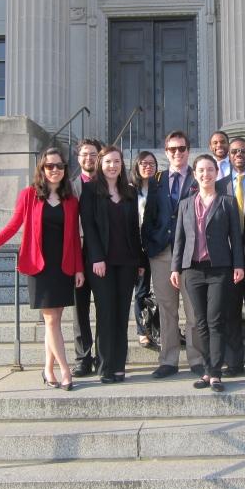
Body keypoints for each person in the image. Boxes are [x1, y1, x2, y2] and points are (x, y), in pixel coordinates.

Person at [0, 148, 84, 391]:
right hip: (39, 267)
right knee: (52, 320)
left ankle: (47, 369)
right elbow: (12, 226)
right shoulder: (29, 195)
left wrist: (78, 269)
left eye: (60, 166)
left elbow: (74, 237)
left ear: (65, 169)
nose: (55, 170)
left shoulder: (71, 199)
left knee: (54, 320)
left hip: (62, 267)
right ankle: (65, 371)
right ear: (41, 169)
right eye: (49, 166)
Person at [171, 154, 245, 392]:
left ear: (217, 173)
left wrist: (238, 265)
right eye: (201, 170)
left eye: (210, 170)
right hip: (192, 270)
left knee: (215, 320)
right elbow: (179, 239)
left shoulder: (227, 202)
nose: (206, 174)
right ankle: (206, 368)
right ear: (195, 174)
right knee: (199, 322)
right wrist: (175, 268)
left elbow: (236, 236)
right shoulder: (185, 204)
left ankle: (215, 373)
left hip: (219, 269)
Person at [142, 131, 204, 379]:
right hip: (162, 253)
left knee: (193, 311)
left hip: (191, 255)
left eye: (182, 148)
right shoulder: (157, 179)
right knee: (167, 310)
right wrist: (149, 244)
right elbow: (150, 216)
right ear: (166, 152)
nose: (177, 153)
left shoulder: (198, 177)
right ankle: (168, 360)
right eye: (172, 149)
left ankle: (197, 358)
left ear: (189, 150)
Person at [79, 146, 144, 384]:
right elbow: (88, 225)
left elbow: (134, 229)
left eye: (116, 161)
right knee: (106, 314)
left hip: (126, 262)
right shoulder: (89, 190)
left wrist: (139, 260)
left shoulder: (130, 191)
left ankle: (119, 366)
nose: (112, 166)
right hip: (101, 264)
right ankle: (105, 366)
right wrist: (96, 257)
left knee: (121, 314)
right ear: (100, 164)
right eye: (107, 162)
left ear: (122, 165)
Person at [216, 137, 245, 378]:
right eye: (234, 151)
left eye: (243, 151)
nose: (238, 154)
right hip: (228, 260)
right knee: (230, 312)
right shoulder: (219, 185)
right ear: (229, 155)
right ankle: (233, 362)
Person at [70, 138, 102, 378]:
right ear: (78, 158)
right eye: (85, 154)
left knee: (104, 309)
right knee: (79, 311)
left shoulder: (108, 184)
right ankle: (83, 357)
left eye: (93, 154)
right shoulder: (69, 188)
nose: (89, 158)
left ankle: (103, 356)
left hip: (102, 257)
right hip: (77, 257)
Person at [130, 150, 158, 347]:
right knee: (141, 290)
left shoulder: (160, 188)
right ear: (137, 167)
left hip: (157, 245)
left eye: (151, 163)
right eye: (143, 163)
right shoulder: (131, 191)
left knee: (163, 292)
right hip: (138, 246)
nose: (148, 166)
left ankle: (158, 327)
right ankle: (142, 330)